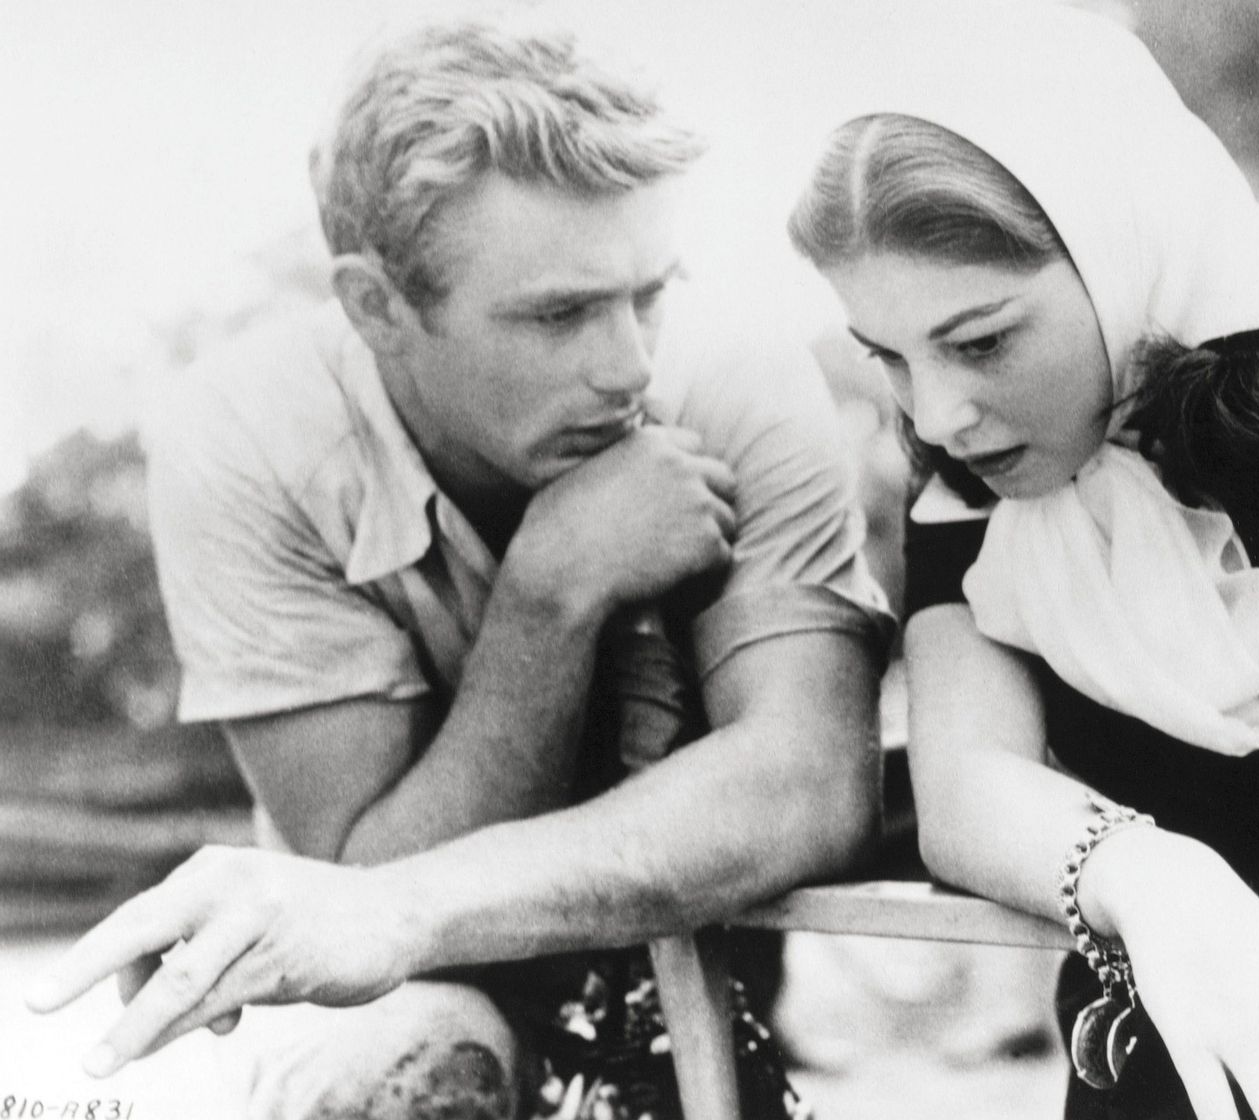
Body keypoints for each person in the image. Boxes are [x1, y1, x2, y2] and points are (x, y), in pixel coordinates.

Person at [27, 17, 892, 1120]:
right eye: (559, 314)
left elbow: (808, 786)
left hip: (698, 979)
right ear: (377, 307)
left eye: (650, 292)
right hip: (400, 1002)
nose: (629, 366)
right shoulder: (245, 436)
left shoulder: (735, 379)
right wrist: (548, 598)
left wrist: (397, 905)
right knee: (416, 1061)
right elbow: (353, 881)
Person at [783, 4, 1259, 1120]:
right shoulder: (970, 497)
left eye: (982, 341)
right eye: (887, 357)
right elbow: (967, 783)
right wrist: (1154, 879)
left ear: (1119, 244)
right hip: (1164, 1066)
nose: (936, 414)